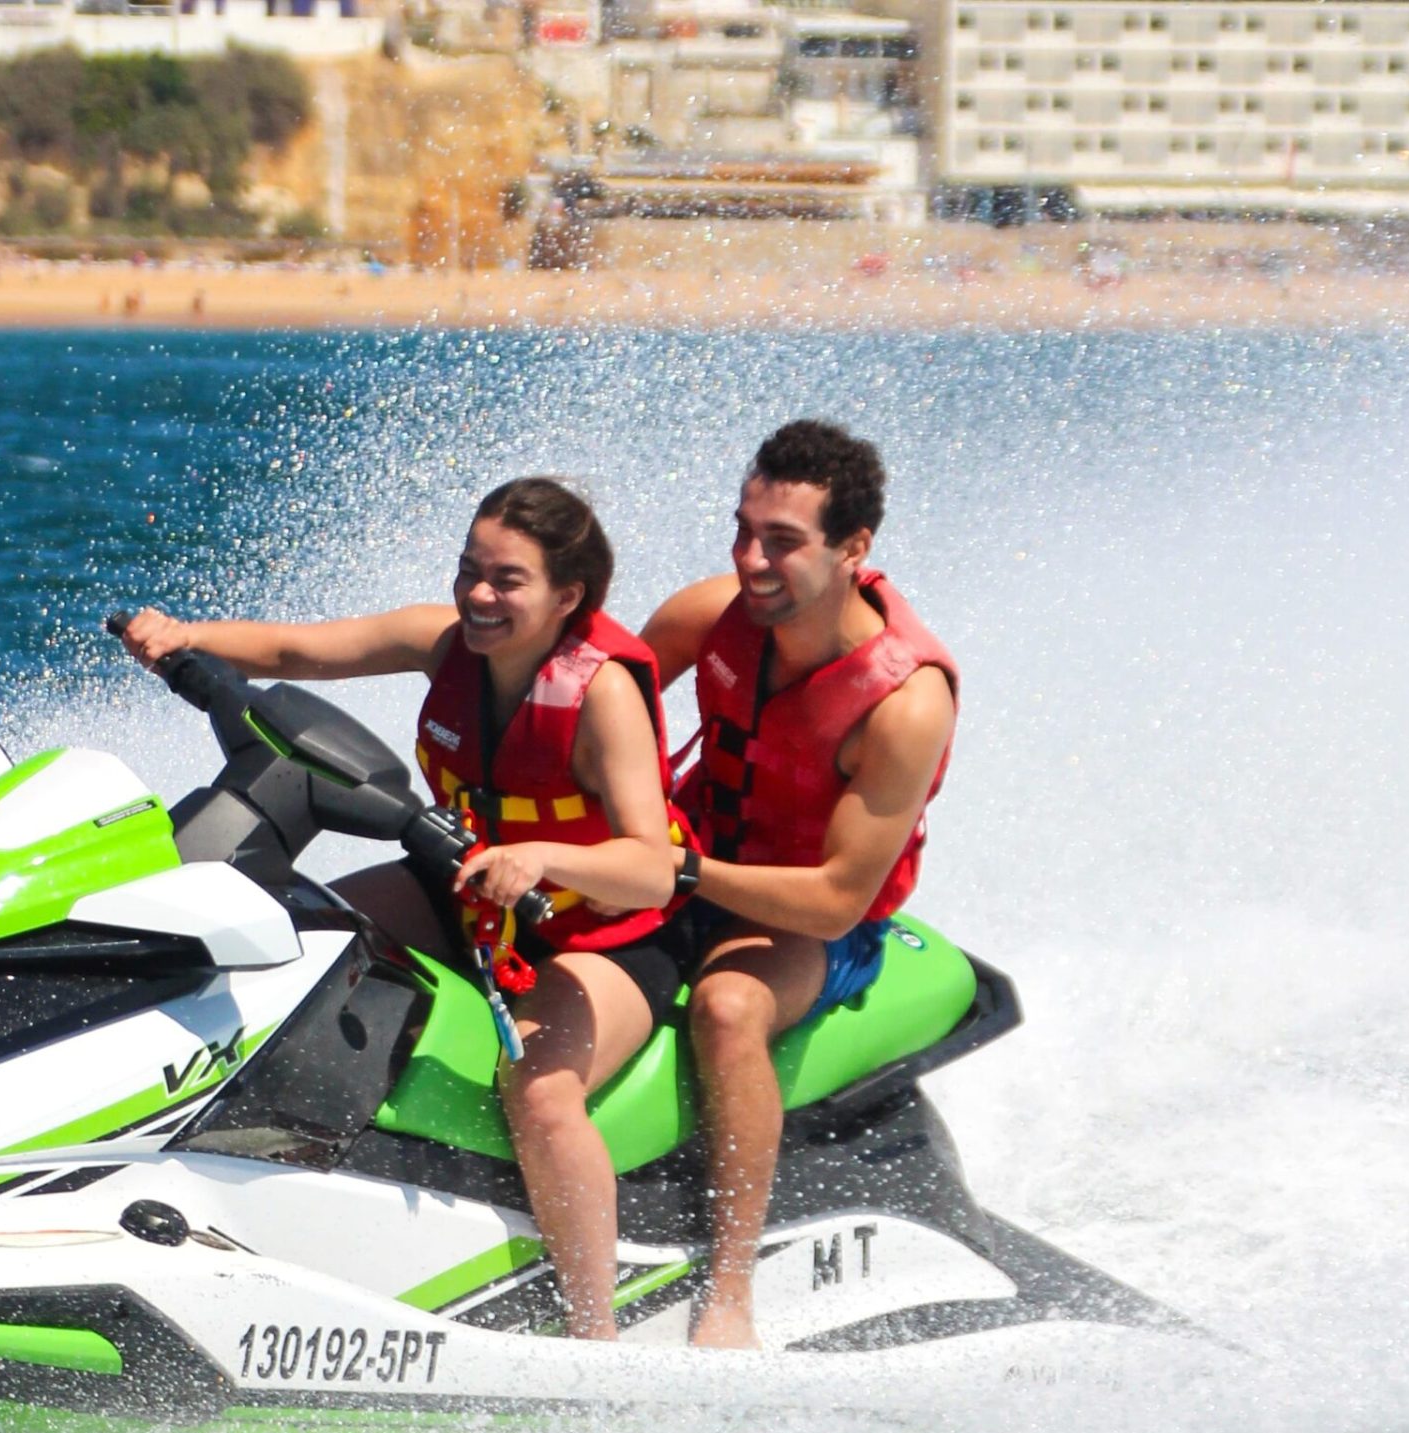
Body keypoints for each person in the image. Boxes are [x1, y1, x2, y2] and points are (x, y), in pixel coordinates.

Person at [117, 479, 683, 1339]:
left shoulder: (602, 694)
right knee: (297, 947)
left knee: (540, 1094)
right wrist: (186, 637)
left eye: (508, 580)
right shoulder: (444, 641)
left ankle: (594, 1332)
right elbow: (299, 652)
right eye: (470, 569)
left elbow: (652, 868)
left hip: (604, 934)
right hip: (475, 896)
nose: (479, 594)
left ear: (568, 597)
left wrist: (542, 857)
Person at [643, 421, 959, 1350]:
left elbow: (835, 899)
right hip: (686, 862)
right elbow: (588, 705)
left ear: (854, 548)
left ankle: (730, 1289)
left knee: (728, 1009)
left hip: (812, 922)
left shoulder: (905, 703)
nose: (751, 560)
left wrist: (683, 872)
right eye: (744, 532)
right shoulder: (708, 615)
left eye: (781, 541)